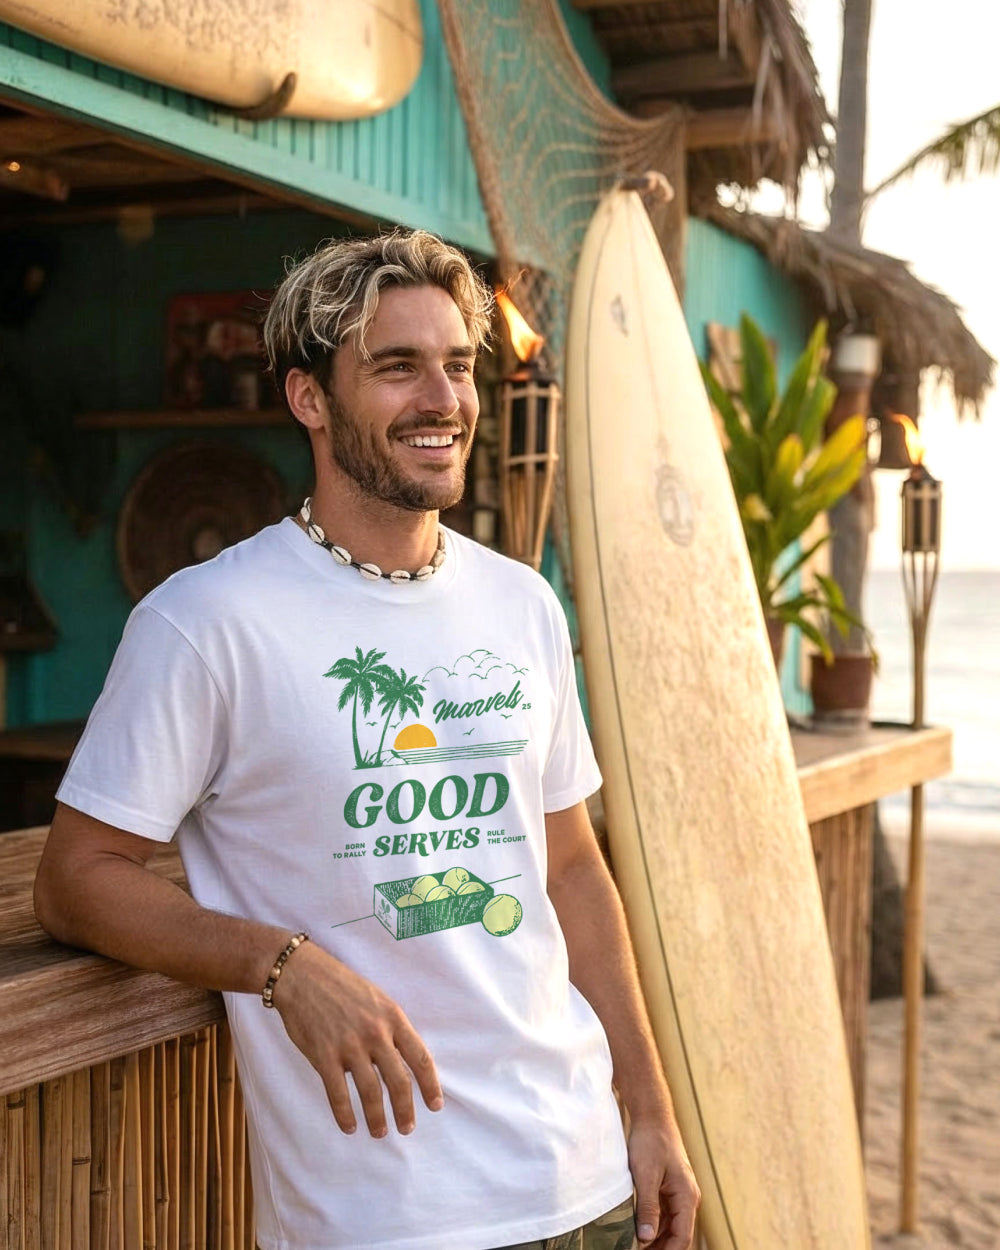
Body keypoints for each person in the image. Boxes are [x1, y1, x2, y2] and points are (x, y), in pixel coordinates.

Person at [34, 230, 699, 1250]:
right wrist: (281, 963)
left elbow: (569, 866)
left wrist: (648, 1105)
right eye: (397, 366)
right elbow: (76, 876)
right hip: (384, 1212)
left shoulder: (522, 604)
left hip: (583, 1177)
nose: (443, 398)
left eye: (458, 364)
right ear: (310, 397)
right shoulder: (206, 620)